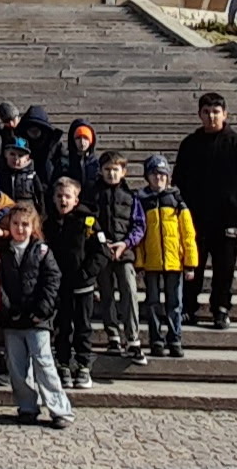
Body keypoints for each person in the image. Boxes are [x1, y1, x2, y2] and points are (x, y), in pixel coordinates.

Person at [173, 91, 237, 330]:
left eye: (216, 112)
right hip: (195, 219)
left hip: (227, 219)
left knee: (224, 267)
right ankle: (188, 307)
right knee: (193, 264)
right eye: (206, 112)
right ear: (199, 114)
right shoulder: (189, 144)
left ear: (225, 114)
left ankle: (221, 309)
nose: (211, 116)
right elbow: (177, 181)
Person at [0, 202, 72, 429]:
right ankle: (27, 407)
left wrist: (42, 311)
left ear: (33, 227)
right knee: (17, 368)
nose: (20, 229)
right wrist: (6, 309)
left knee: (44, 364)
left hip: (38, 319)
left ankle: (60, 410)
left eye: (25, 225)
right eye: (16, 224)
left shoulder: (42, 251)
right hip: (12, 319)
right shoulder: (2, 252)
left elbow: (52, 280)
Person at [43, 176, 104, 390]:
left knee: (82, 327)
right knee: (62, 327)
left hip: (83, 286)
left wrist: (87, 273)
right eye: (59, 196)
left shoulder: (87, 221)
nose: (63, 200)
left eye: (67, 196)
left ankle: (83, 365)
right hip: (60, 287)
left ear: (76, 200)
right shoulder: (49, 224)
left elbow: (101, 252)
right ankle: (63, 364)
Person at [135, 154, 198, 357]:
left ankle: (175, 339)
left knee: (174, 304)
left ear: (168, 177)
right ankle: (156, 340)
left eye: (162, 174)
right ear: (147, 177)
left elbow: (188, 234)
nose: (158, 178)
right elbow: (139, 235)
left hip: (174, 262)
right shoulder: (142, 201)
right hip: (151, 262)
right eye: (154, 174)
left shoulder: (177, 200)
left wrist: (190, 263)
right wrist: (139, 263)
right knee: (152, 303)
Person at [92, 151, 147, 363]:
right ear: (101, 171)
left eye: (115, 170)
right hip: (102, 253)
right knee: (106, 294)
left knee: (129, 292)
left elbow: (139, 225)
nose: (111, 174)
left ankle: (133, 339)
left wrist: (125, 243)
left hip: (124, 253)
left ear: (123, 172)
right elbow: (89, 221)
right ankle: (113, 336)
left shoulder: (131, 197)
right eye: (107, 169)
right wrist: (101, 242)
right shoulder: (94, 195)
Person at [16, 106, 65, 187]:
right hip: (26, 188)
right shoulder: (19, 143)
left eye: (36, 129)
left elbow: (64, 166)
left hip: (51, 188)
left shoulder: (54, 144)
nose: (34, 132)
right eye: (31, 129)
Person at [0, 137, 46, 215]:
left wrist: (41, 215)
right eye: (12, 154)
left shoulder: (32, 176)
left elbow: (40, 198)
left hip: (26, 215)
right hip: (4, 215)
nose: (16, 158)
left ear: (27, 158)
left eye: (20, 155)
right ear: (5, 154)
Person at [58, 120, 100, 203]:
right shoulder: (64, 162)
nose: (82, 142)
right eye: (78, 138)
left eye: (86, 138)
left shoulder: (97, 164)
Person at [0, 102, 20, 168]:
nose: (11, 124)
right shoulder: (2, 134)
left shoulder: (25, 129)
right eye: (7, 122)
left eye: (13, 120)